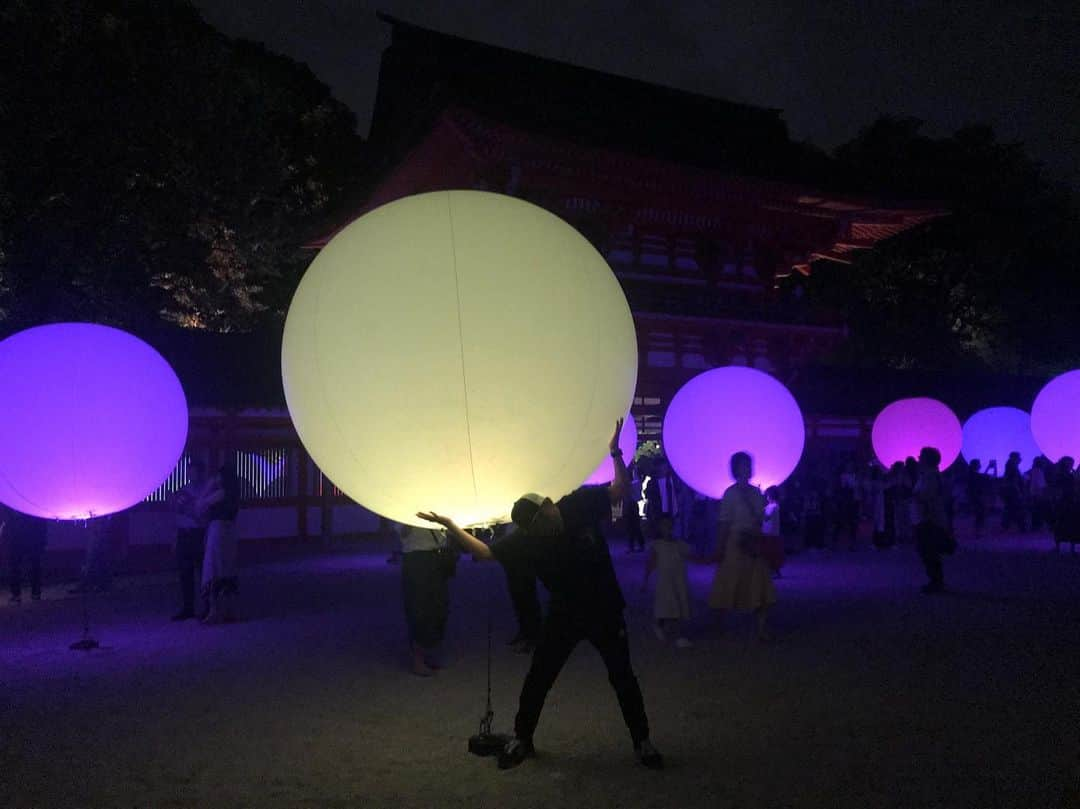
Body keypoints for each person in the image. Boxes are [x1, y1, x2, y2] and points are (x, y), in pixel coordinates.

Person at [417, 420, 663, 771]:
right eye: (535, 529)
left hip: (605, 608)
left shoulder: (578, 503)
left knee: (622, 676)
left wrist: (615, 452)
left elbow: (620, 489)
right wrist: (451, 525)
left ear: (550, 504)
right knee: (540, 676)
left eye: (543, 520)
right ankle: (523, 737)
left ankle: (643, 741)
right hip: (564, 612)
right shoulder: (528, 538)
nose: (545, 530)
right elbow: (486, 553)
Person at [708, 452, 776, 640]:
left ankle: (761, 628)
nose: (747, 468)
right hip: (735, 542)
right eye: (743, 465)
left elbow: (761, 518)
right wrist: (720, 546)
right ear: (736, 469)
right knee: (728, 583)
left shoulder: (756, 492)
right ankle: (718, 626)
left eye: (748, 465)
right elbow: (724, 522)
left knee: (759, 585)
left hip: (753, 542)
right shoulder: (730, 494)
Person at [399, 524, 452, 676]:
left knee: (438, 607)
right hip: (417, 559)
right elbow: (403, 532)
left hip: (437, 557)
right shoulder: (403, 509)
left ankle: (428, 653)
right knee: (419, 608)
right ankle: (418, 660)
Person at [641, 513, 692, 647]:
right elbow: (651, 563)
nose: (668, 528)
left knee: (677, 605)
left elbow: (691, 556)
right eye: (664, 525)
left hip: (678, 579)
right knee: (666, 606)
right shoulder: (658, 545)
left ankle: (677, 634)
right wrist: (645, 581)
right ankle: (662, 626)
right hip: (665, 582)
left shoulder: (679, 544)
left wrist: (708, 560)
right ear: (659, 527)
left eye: (670, 525)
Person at [199, 461, 241, 624]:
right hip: (230, 531)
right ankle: (229, 610)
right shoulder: (234, 494)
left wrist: (210, 485)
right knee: (227, 568)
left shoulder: (221, 493)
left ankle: (214, 611)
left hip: (218, 531)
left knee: (214, 568)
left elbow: (201, 503)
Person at [170, 459, 210, 620]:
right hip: (183, 534)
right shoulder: (182, 491)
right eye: (190, 471)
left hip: (199, 534)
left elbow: (204, 515)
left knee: (203, 572)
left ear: (200, 473)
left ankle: (207, 606)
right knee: (185, 573)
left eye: (194, 471)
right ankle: (188, 607)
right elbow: (175, 514)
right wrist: (174, 537)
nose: (192, 475)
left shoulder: (206, 491)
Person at [914, 446, 954, 594]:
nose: (918, 458)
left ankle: (936, 582)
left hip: (928, 519)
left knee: (928, 551)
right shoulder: (930, 474)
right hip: (929, 518)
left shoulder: (929, 476)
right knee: (929, 551)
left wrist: (915, 500)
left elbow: (927, 497)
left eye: (921, 456)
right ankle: (936, 581)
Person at [4, 509, 47, 604]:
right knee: (33, 563)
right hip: (32, 531)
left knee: (17, 563)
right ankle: (34, 593)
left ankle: (17, 594)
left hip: (20, 531)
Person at [645, 459, 679, 539]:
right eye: (663, 466)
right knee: (660, 532)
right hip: (659, 511)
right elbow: (649, 496)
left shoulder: (672, 480)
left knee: (671, 532)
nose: (665, 468)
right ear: (658, 468)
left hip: (672, 510)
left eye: (666, 466)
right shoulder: (653, 482)